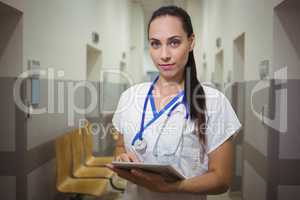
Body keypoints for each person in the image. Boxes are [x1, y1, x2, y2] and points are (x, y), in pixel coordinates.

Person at [106, 5, 241, 200]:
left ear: (191, 42)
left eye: (174, 42)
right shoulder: (130, 97)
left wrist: (171, 187)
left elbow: (221, 179)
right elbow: (120, 147)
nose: (164, 55)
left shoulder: (214, 102)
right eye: (155, 44)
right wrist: (123, 158)